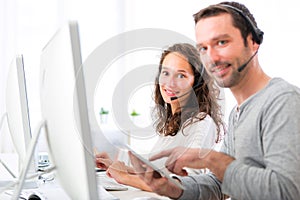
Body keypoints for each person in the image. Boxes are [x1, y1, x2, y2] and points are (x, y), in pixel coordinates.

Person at [129, 1, 300, 199]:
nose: (212, 57)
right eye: (203, 48)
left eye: (221, 42)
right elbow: (220, 184)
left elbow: (288, 192)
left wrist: (211, 159)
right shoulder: (238, 113)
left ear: (253, 42)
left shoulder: (283, 101)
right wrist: (170, 186)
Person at [95, 43, 225, 191]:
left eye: (181, 75)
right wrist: (116, 166)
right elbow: (161, 174)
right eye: (166, 73)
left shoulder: (201, 122)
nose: (170, 83)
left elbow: (185, 184)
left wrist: (124, 177)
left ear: (196, 83)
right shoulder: (173, 122)